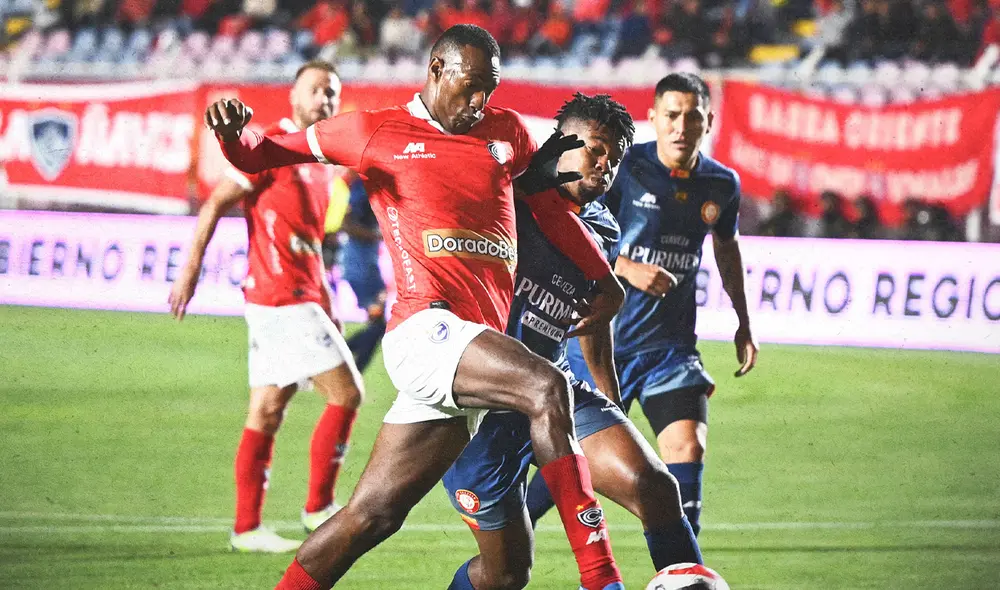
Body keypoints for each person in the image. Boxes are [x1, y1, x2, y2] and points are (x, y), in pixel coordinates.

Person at [204, 25, 628, 590]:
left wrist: (606, 280)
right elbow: (261, 155)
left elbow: (550, 210)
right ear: (436, 69)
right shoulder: (372, 131)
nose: (480, 102)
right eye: (470, 86)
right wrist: (234, 137)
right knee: (547, 386)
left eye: (490, 89)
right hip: (424, 328)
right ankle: (604, 580)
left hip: (464, 350)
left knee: (376, 519)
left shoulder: (507, 134)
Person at [442, 92, 703, 590]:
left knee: (655, 487)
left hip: (557, 390)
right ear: (561, 143)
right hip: (484, 404)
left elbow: (595, 317)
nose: (605, 167)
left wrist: (610, 398)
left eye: (616, 158)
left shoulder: (603, 225)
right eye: (596, 150)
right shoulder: (509, 198)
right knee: (504, 574)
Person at [528, 73, 759, 538]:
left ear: (707, 121)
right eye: (671, 115)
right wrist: (627, 269)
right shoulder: (620, 167)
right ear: (653, 118)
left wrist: (743, 321)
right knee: (568, 465)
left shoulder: (721, 184)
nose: (680, 125)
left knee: (687, 448)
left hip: (670, 350)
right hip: (602, 343)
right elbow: (582, 226)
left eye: (692, 116)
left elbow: (727, 249)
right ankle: (515, 534)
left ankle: (683, 571)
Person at [169, 61, 365, 552]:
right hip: (279, 297)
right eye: (317, 90)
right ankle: (319, 506)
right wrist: (191, 269)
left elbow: (312, 245)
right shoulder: (269, 146)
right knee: (347, 393)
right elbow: (216, 201)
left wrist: (328, 302)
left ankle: (246, 528)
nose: (326, 100)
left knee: (267, 409)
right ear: (294, 97)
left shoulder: (321, 164)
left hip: (301, 296)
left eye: (333, 93)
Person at [339, 173, 388, 373]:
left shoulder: (373, 187)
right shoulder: (361, 188)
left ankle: (344, 367)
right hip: (360, 268)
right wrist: (377, 235)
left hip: (368, 267)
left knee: (378, 325)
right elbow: (347, 224)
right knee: (378, 325)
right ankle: (342, 367)